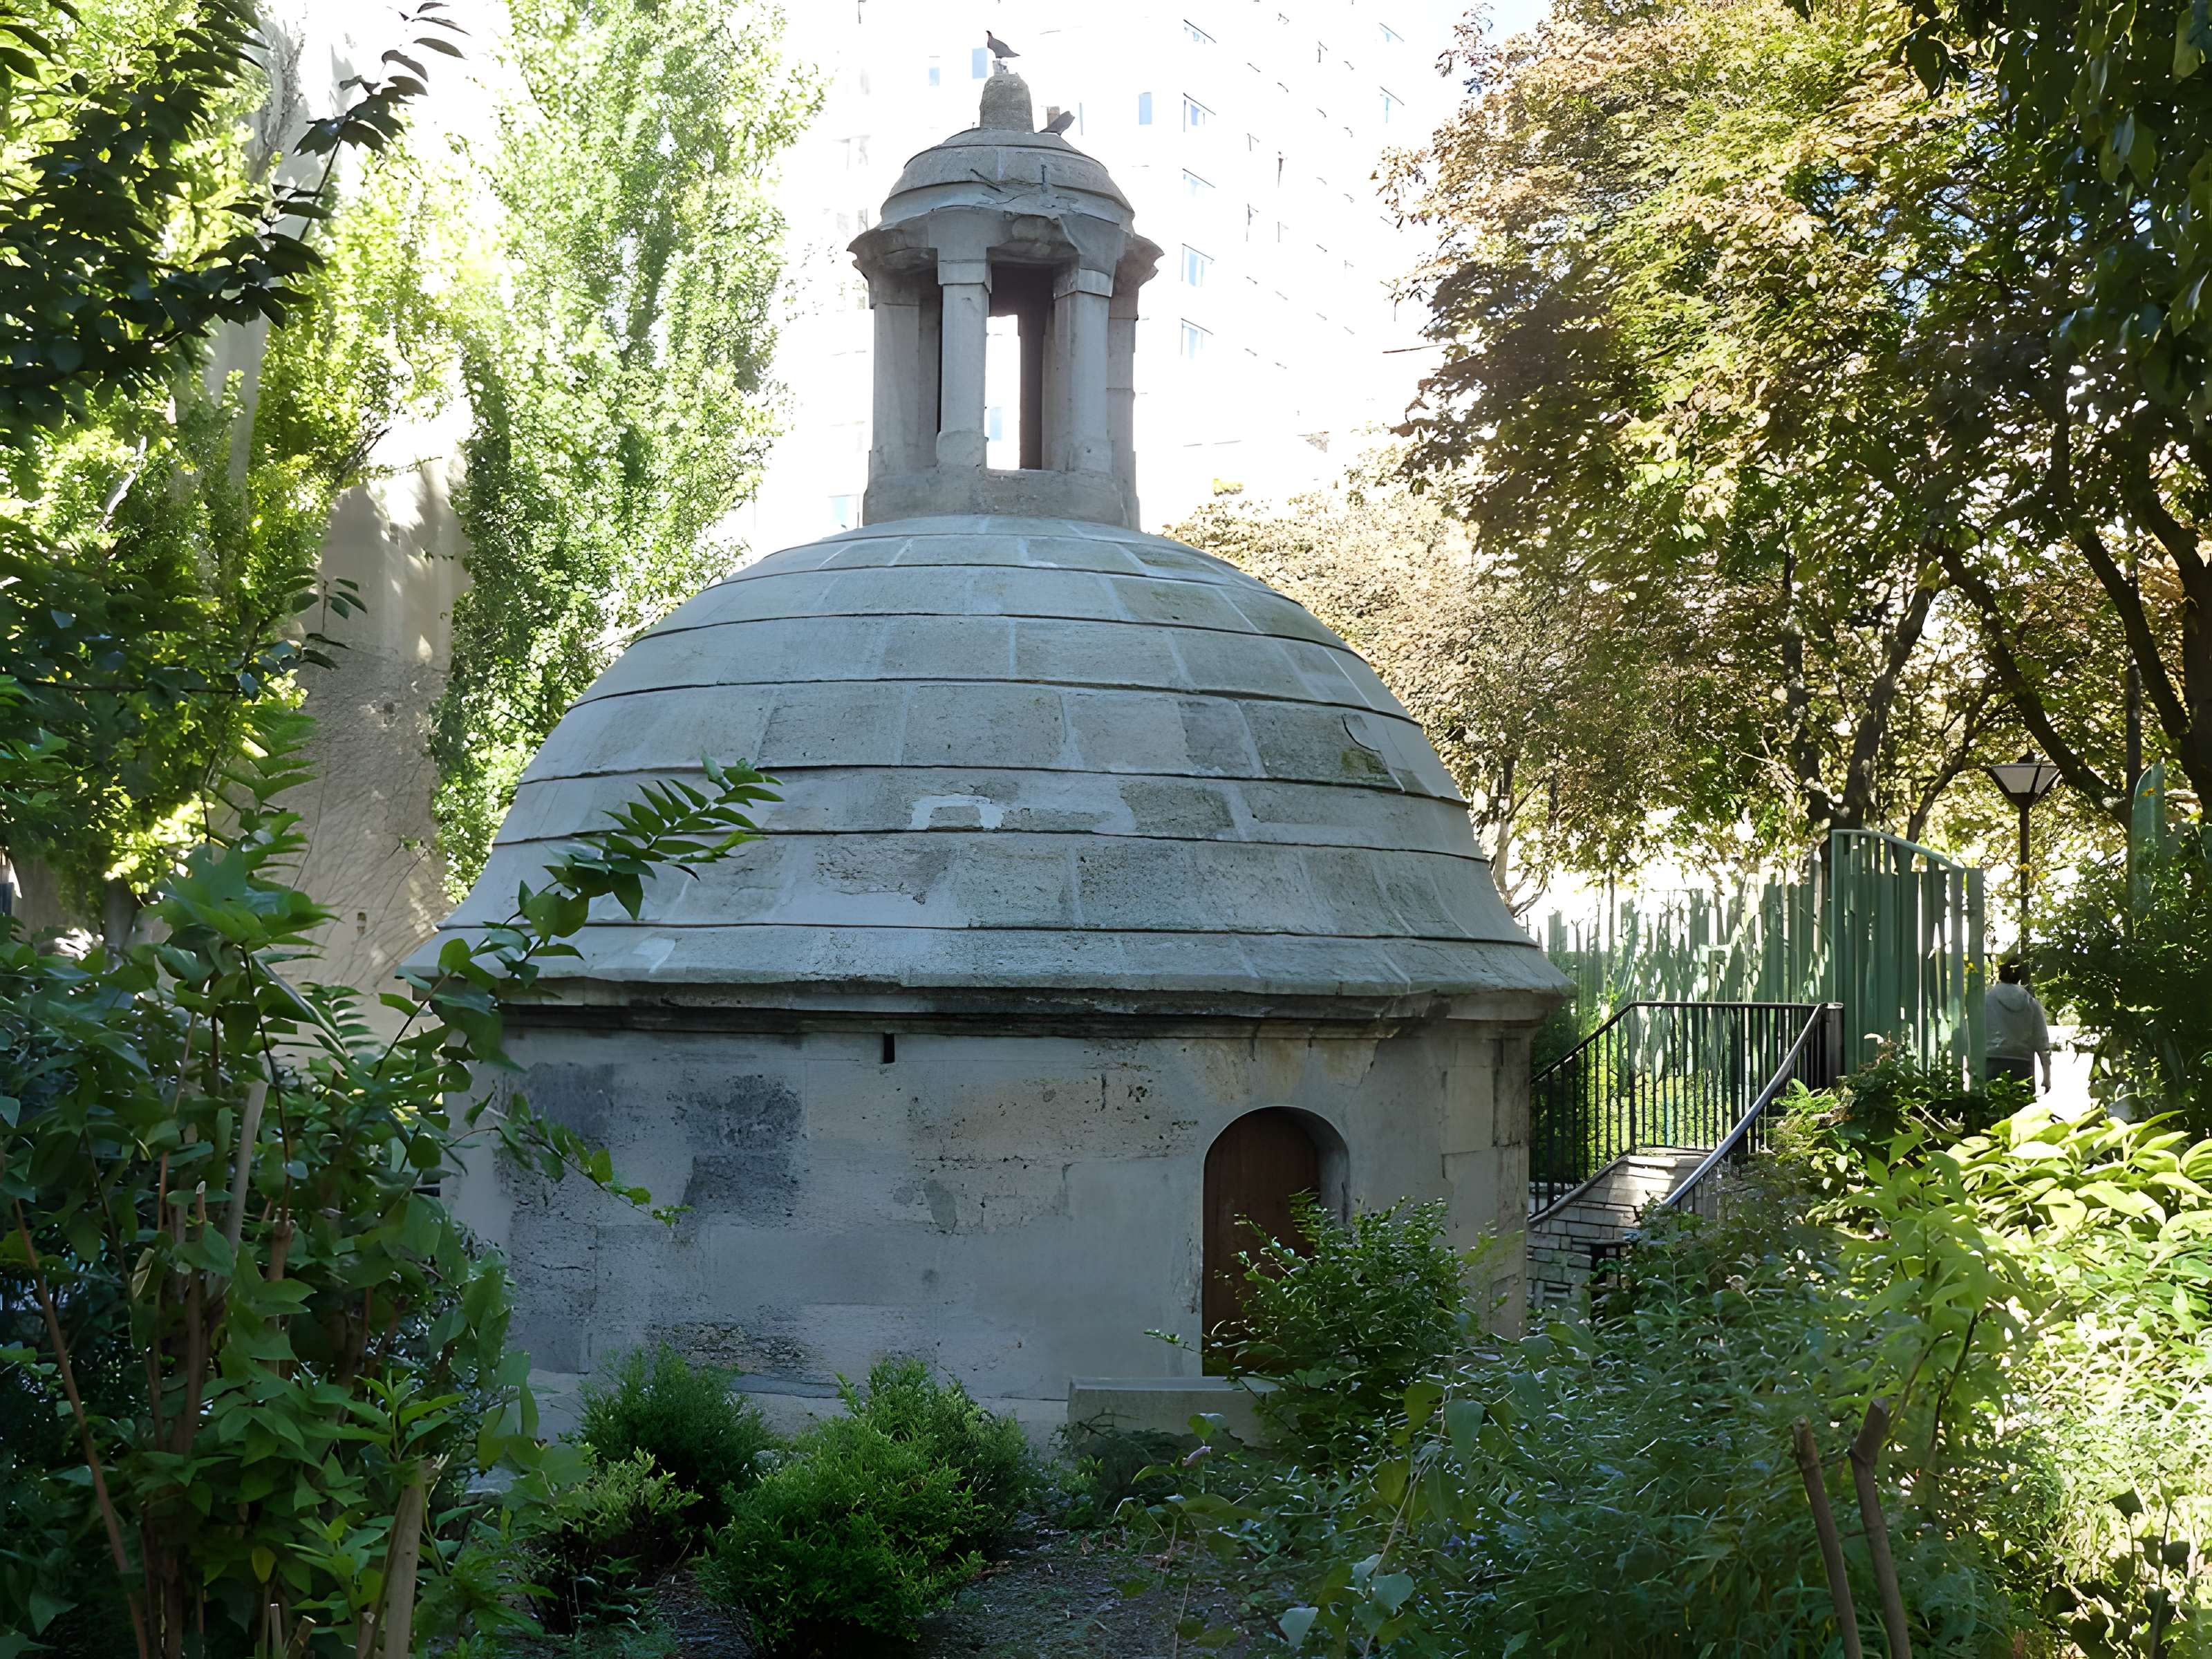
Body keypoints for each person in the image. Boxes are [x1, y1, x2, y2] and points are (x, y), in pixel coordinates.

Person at [1985, 959, 2052, 1092]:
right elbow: (2042, 1041)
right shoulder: (2031, 1003)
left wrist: (1970, 1065)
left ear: (2000, 973)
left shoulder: (1986, 1000)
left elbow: (1973, 1032)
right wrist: (2047, 1077)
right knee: (2021, 1109)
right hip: (2022, 1064)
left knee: (1992, 1109)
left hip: (1991, 1063)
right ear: (2020, 976)